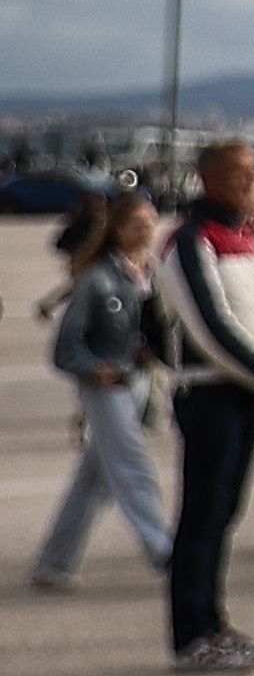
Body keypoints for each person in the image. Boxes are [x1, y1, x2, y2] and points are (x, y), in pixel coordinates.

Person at [154, 139, 254, 675]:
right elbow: (209, 325)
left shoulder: (248, 236)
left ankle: (215, 623)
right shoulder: (190, 241)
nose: (251, 179)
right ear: (208, 177)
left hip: (249, 394)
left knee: (225, 515)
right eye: (239, 171)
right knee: (202, 515)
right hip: (211, 392)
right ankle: (192, 633)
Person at [32, 193, 173, 592]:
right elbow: (65, 346)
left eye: (149, 221)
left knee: (95, 476)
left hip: (141, 381)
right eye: (135, 222)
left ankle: (55, 560)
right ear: (116, 226)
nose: (143, 229)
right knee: (131, 466)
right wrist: (95, 369)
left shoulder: (154, 273)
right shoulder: (98, 278)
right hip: (105, 385)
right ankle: (163, 549)